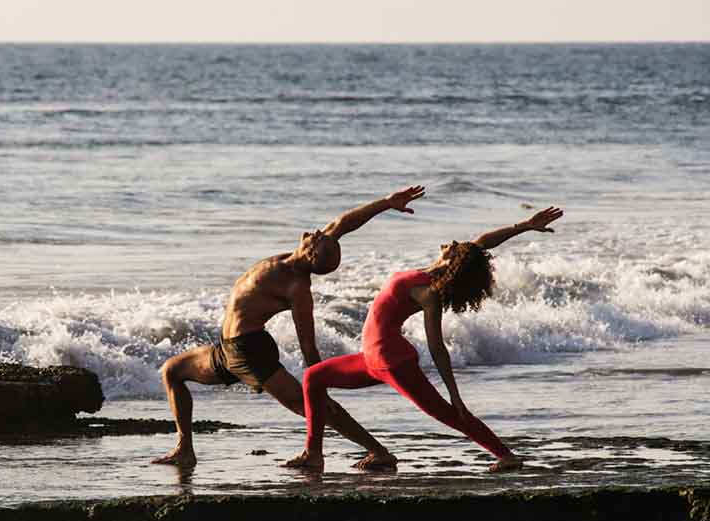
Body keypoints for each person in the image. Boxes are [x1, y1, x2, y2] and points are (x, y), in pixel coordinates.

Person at [152, 185, 426, 468]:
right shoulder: (294, 257)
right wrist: (385, 202)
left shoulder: (297, 288)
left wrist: (320, 382)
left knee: (310, 406)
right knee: (172, 370)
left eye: (319, 240)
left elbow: (308, 344)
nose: (318, 233)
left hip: (251, 353)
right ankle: (184, 448)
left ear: (311, 256)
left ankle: (377, 451)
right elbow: (344, 223)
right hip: (226, 351)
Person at [286, 205, 564, 472]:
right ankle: (317, 454)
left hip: (392, 362)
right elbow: (482, 243)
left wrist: (456, 395)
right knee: (313, 378)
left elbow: (437, 348)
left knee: (447, 413)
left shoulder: (427, 293)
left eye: (457, 247)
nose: (454, 241)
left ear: (455, 261)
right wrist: (525, 226)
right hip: (372, 359)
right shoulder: (433, 272)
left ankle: (506, 456)